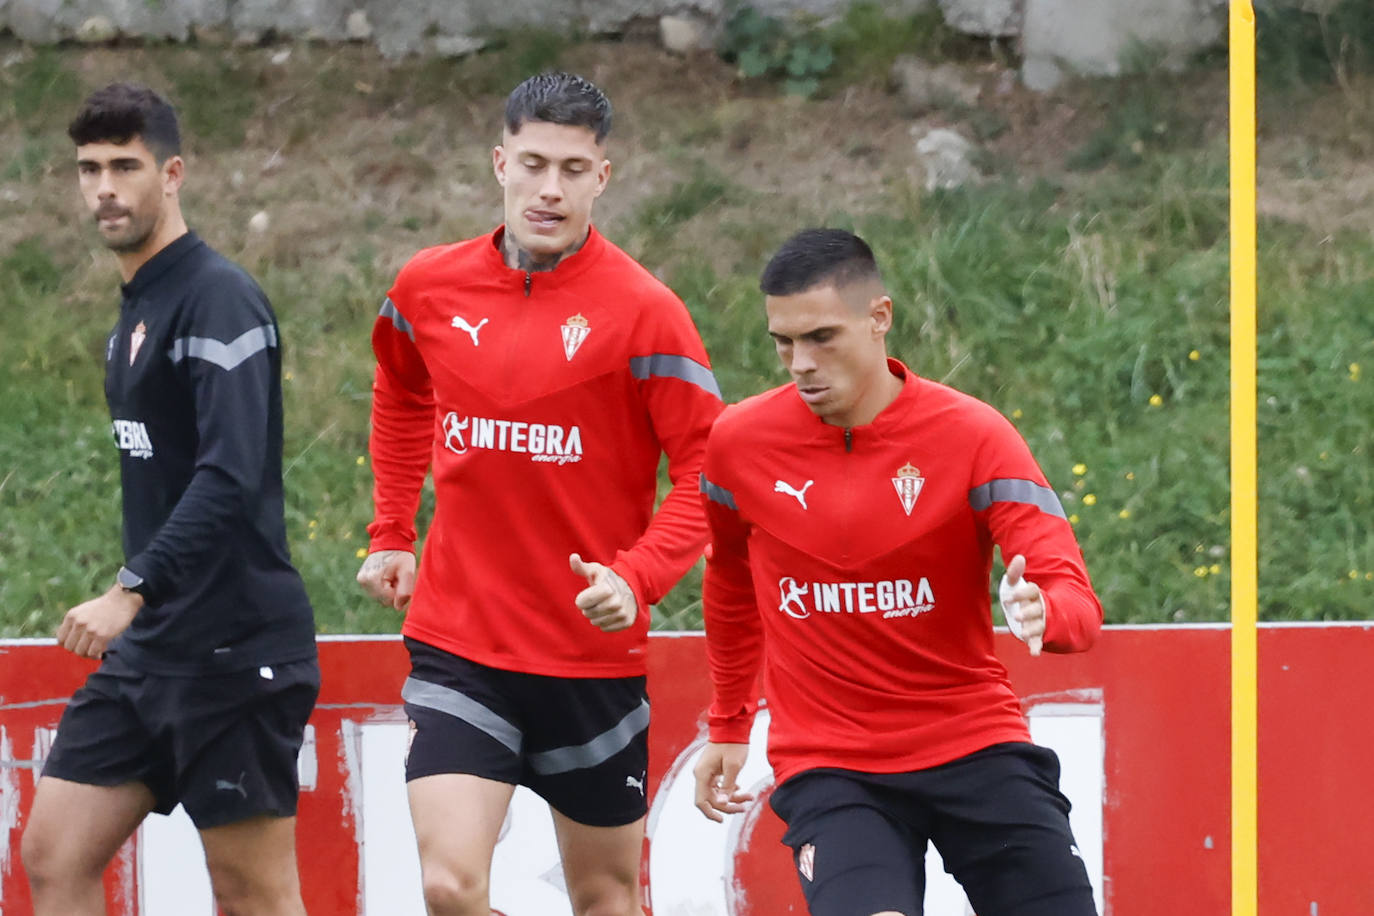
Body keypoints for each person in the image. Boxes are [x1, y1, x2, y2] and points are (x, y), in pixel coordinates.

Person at [355, 71, 723, 916]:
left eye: (571, 168)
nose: (549, 189)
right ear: (499, 164)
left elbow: (710, 469)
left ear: (604, 177)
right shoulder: (428, 287)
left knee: (605, 896)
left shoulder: (645, 313)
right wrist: (391, 529)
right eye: (532, 163)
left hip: (587, 660)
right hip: (461, 640)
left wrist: (637, 576)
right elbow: (400, 391)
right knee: (450, 886)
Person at [692, 228, 1103, 916]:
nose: (800, 363)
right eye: (783, 342)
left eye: (822, 337)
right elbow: (731, 581)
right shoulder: (738, 443)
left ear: (879, 318)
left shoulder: (974, 436)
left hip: (973, 741)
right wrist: (729, 722)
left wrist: (1047, 610)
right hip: (833, 764)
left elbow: (1074, 599)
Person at [20, 83, 319, 916]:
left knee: (252, 896)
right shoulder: (138, 306)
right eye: (90, 169)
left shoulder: (216, 297)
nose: (105, 187)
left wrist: (129, 589)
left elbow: (229, 475)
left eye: (126, 166)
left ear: (173, 173)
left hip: (232, 654)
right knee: (54, 856)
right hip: (152, 655)